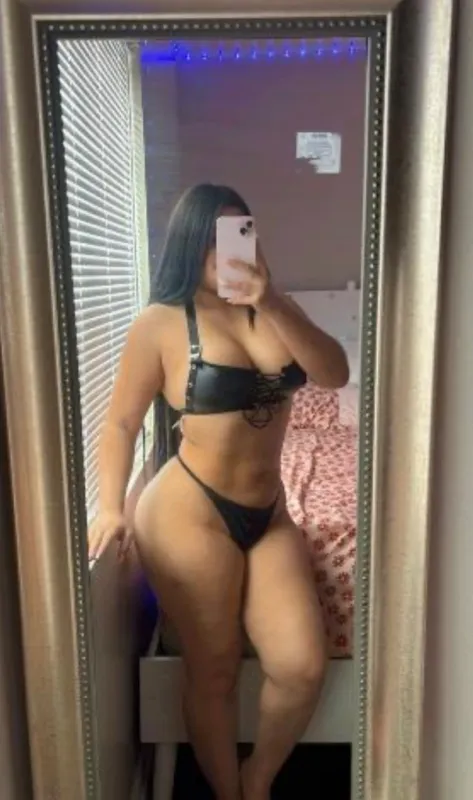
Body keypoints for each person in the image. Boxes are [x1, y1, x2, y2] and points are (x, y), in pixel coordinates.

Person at [88, 184, 349, 800]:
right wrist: (109, 507)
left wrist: (273, 300)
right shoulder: (161, 322)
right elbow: (120, 423)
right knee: (215, 669)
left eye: (241, 233)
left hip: (269, 512)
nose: (228, 250)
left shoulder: (275, 310)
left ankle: (257, 780)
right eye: (215, 237)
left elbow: (334, 373)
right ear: (190, 242)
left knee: (300, 665)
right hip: (190, 512)